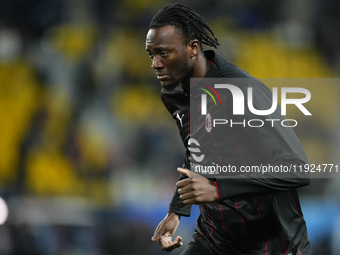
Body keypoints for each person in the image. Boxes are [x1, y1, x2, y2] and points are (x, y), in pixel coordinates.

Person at [146, 3, 311, 255]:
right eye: (151, 55)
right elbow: (196, 150)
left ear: (193, 48)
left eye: (164, 53)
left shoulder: (244, 92)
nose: (155, 64)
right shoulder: (173, 94)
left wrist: (217, 189)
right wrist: (177, 209)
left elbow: (297, 169)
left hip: (271, 244)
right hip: (214, 239)